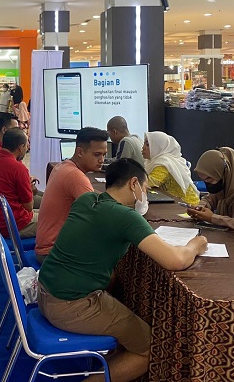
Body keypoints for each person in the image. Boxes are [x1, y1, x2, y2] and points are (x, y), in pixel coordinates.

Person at [37, 159, 208, 382]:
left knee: (125, 318)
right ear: (133, 183)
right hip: (71, 306)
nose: (145, 195)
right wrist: (196, 244)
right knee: (150, 348)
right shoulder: (125, 217)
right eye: (145, 188)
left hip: (46, 293)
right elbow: (175, 260)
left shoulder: (87, 200)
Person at [35, 127, 109, 263]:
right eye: (97, 155)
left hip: (48, 247)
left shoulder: (62, 166)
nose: (102, 160)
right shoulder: (75, 176)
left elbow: (92, 198)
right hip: (53, 254)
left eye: (104, 155)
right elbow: (99, 215)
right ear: (80, 152)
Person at [0, 128, 39, 238]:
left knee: (48, 212)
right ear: (20, 148)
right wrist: (28, 186)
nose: (27, 148)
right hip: (15, 226)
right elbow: (29, 207)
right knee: (59, 220)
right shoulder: (18, 169)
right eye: (26, 145)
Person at [142, 132, 199, 205]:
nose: (143, 147)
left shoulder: (164, 163)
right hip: (174, 201)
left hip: (187, 204)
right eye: (144, 144)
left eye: (148, 145)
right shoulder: (152, 161)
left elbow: (150, 182)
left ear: (159, 147)